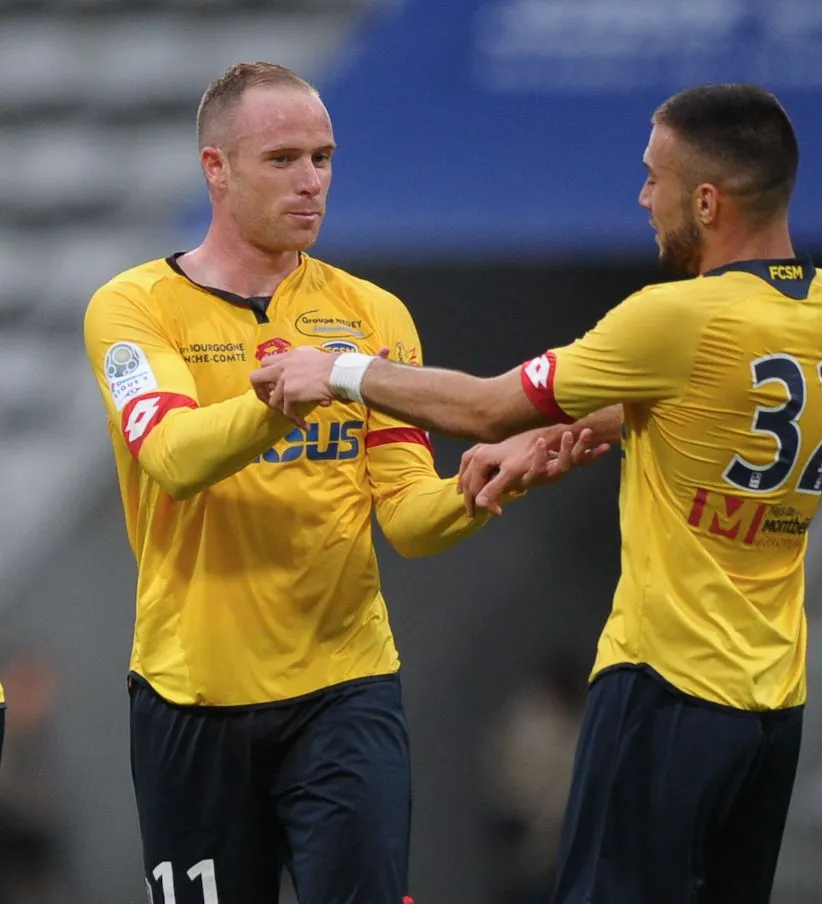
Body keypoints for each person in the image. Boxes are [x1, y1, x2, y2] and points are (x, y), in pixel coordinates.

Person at [253, 82, 822, 903]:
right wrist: (569, 432)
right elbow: (711, 402)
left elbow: (481, 405)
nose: (644, 197)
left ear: (708, 202)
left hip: (667, 684)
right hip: (772, 704)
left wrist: (339, 369)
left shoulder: (675, 317)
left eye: (656, 178)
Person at [82, 62, 602, 904]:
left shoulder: (371, 315)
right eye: (283, 159)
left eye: (324, 157)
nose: (311, 182)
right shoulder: (135, 307)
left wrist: (485, 484)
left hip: (344, 688)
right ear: (216, 169)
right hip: (193, 696)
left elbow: (405, 517)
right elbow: (174, 457)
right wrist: (292, 396)